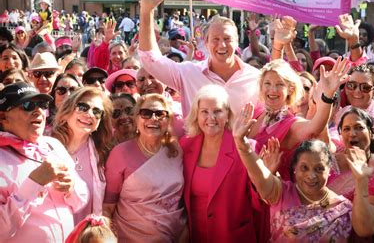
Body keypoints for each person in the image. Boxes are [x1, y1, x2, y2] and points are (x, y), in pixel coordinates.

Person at [138, 0, 260, 117]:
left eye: (227, 39)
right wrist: (146, 11)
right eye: (215, 39)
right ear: (206, 43)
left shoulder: (256, 78)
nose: (222, 45)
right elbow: (150, 58)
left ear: (237, 43)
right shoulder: (188, 74)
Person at [233, 105, 352, 243]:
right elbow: (260, 174)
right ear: (294, 168)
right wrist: (242, 144)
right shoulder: (281, 193)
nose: (311, 175)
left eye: (319, 169)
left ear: (329, 168)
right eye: (304, 168)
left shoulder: (344, 209)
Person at [0, 82, 89, 242]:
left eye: (41, 104)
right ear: (3, 117)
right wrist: (35, 182)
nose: (38, 111)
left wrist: (72, 187)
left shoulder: (52, 144)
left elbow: (81, 199)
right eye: (27, 105)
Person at [180, 85, 263, 242]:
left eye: (217, 111)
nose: (211, 117)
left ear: (227, 115)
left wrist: (261, 180)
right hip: (194, 236)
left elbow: (260, 202)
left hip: (232, 237)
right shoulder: (185, 145)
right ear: (196, 115)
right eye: (204, 111)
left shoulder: (246, 147)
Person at [246, 57, 350, 181]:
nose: (272, 90)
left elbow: (315, 127)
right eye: (267, 83)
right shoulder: (257, 113)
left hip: (271, 195)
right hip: (244, 186)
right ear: (261, 86)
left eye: (280, 84)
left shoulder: (291, 124)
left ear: (290, 89)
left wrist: (327, 97)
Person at [104, 94, 185, 242]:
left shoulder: (177, 150)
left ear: (169, 120)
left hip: (175, 236)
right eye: (146, 113)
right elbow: (107, 208)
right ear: (136, 119)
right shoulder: (120, 153)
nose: (153, 118)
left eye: (160, 114)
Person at [52, 87, 113, 224]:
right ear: (67, 112)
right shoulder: (46, 146)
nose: (90, 114)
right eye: (83, 107)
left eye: (96, 112)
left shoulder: (103, 154)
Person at [328, 107, 374, 201]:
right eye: (346, 129)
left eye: (359, 128)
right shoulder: (330, 163)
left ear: (371, 133)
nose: (352, 134)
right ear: (341, 134)